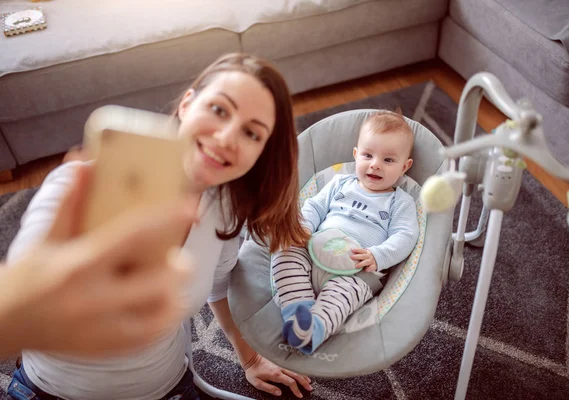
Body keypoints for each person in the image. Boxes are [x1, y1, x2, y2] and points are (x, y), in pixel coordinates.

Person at [5, 53, 312, 400]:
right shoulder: (76, 186)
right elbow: (21, 288)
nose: (227, 137)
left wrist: (251, 358)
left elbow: (218, 287)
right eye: (220, 110)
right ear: (187, 104)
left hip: (167, 388)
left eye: (251, 133)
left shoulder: (224, 207)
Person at [0, 164, 197, 358]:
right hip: (45, 384)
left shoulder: (219, 203)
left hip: (171, 375)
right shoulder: (69, 181)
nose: (223, 139)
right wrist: (21, 311)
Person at [272, 110, 420, 354]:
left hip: (355, 271)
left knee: (341, 297)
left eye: (388, 160)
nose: (375, 164)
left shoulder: (400, 201)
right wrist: (304, 229)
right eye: (368, 155)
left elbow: (405, 236)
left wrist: (377, 255)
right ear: (355, 155)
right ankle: (298, 309)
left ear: (405, 166)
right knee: (284, 251)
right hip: (312, 251)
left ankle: (312, 329)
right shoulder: (339, 182)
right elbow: (313, 206)